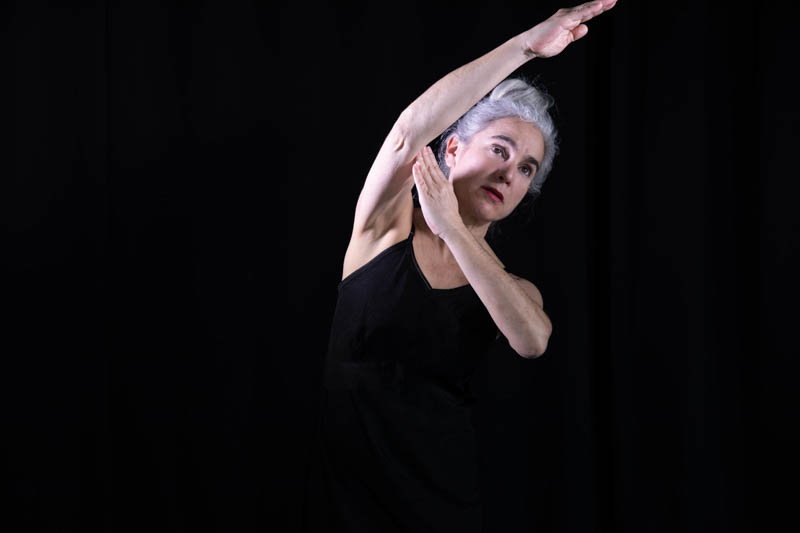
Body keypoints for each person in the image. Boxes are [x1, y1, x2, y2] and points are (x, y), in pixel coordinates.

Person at [302, 1, 617, 531]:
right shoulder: (384, 228)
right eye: (499, 149)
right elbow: (408, 132)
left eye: (526, 169)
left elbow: (532, 340)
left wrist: (453, 228)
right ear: (452, 149)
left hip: (441, 509)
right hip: (343, 505)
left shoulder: (509, 288)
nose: (509, 173)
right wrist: (524, 47)